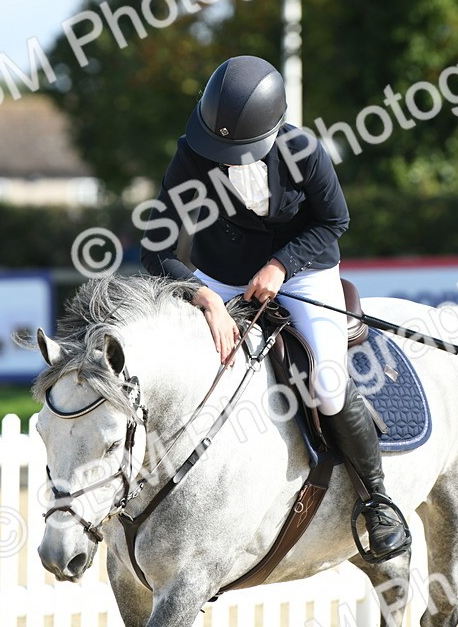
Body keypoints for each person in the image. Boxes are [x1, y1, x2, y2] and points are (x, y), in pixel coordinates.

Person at [140, 55, 410, 562]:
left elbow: (334, 221)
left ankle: (377, 502)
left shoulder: (302, 149)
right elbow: (154, 250)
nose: (221, 158)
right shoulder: (192, 155)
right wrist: (202, 297)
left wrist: (281, 265)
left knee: (327, 383)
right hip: (218, 275)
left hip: (304, 267)